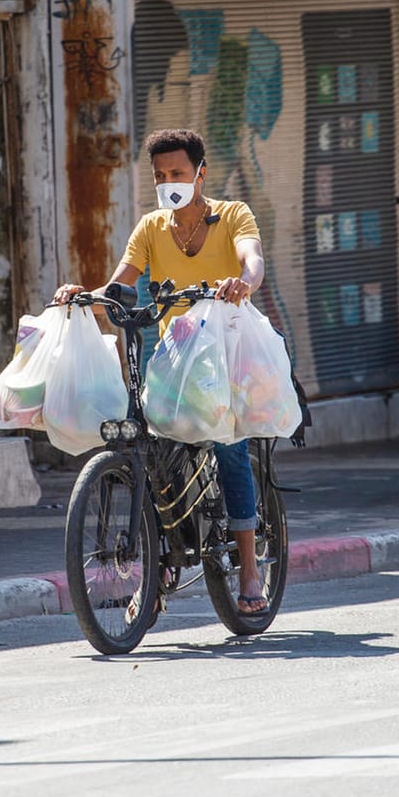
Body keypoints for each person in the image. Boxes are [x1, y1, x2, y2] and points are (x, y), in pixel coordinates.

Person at [54, 128, 270, 614]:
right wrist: (81, 296)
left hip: (228, 358)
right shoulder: (151, 228)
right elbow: (118, 288)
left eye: (177, 173)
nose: (169, 182)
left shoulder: (232, 214)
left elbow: (252, 259)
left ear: (200, 173)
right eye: (160, 176)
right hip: (177, 363)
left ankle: (251, 572)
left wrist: (244, 282)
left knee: (231, 448)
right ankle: (156, 575)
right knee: (148, 452)